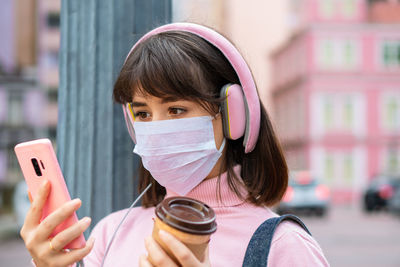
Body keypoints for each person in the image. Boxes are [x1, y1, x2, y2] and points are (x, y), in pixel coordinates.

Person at [20, 23, 330, 267]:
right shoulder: (110, 233)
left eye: (176, 109)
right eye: (142, 113)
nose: (155, 129)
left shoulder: (282, 246)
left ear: (231, 115)